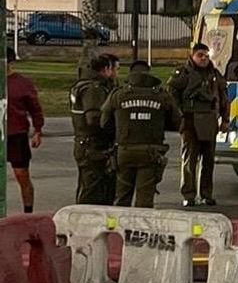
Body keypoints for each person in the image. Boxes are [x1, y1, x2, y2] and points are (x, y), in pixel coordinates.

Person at [102, 60, 181, 208]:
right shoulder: (161, 96)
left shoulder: (118, 94)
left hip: (124, 150)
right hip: (150, 152)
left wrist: (119, 132)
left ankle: (120, 229)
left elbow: (105, 123)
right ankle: (139, 230)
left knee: (122, 197)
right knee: (144, 198)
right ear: (148, 73)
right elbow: (177, 122)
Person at [169, 42, 229, 207]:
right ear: (192, 55)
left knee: (208, 161)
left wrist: (225, 119)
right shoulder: (183, 73)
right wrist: (179, 117)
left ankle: (206, 194)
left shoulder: (214, 74)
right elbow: (172, 94)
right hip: (190, 121)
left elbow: (223, 98)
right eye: (200, 55)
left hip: (210, 121)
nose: (204, 58)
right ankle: (189, 195)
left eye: (206, 55)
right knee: (190, 160)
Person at [70, 54, 118, 204]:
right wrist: (115, 129)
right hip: (94, 145)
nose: (116, 73)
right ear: (106, 69)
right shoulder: (94, 89)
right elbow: (94, 119)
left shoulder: (83, 84)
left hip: (86, 143)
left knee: (91, 186)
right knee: (93, 191)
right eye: (115, 69)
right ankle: (85, 223)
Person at [6, 48, 44, 213]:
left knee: (22, 175)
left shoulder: (22, 84)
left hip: (16, 134)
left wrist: (37, 130)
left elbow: (35, 109)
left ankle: (28, 211)